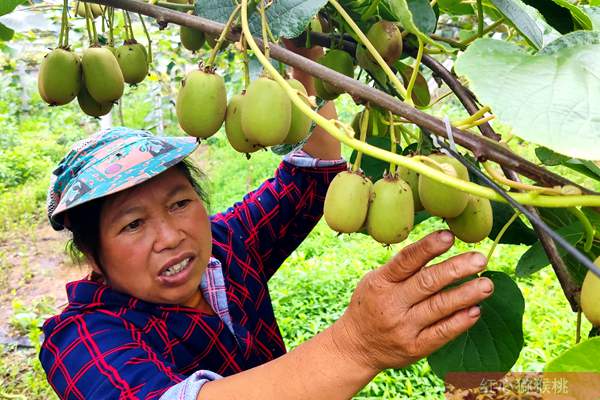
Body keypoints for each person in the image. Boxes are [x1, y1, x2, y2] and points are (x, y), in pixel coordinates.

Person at [39, 45, 495, 400]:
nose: (171, 236)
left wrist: (303, 59)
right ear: (91, 253)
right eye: (133, 225)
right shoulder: (79, 339)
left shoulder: (225, 246)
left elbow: (309, 174)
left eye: (180, 203)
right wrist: (358, 344)